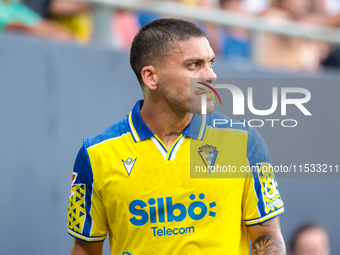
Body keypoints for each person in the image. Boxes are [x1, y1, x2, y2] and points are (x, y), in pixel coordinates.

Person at [68, 18, 286, 254]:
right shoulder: (96, 154)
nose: (210, 75)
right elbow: (85, 249)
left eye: (210, 63)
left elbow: (267, 237)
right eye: (194, 65)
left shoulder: (241, 141)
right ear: (151, 77)